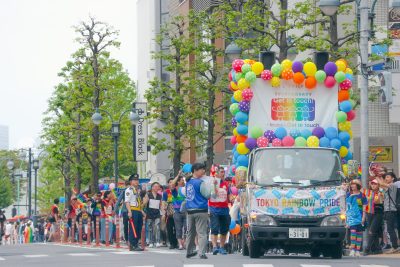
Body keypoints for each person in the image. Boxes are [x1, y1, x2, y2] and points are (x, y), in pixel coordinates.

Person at [185, 162, 213, 260]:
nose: (203, 171)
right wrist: (211, 187)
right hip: (201, 209)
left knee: (190, 232)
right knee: (201, 233)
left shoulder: (188, 182)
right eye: (201, 169)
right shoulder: (200, 182)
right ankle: (201, 253)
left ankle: (188, 251)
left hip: (190, 210)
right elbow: (207, 195)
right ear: (195, 171)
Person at [209, 166, 231, 255]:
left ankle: (222, 247)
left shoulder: (226, 184)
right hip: (214, 209)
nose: (223, 174)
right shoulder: (212, 183)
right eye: (221, 172)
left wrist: (232, 198)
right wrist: (214, 185)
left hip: (224, 210)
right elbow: (213, 196)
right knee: (214, 228)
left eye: (223, 172)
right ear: (216, 173)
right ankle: (214, 247)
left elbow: (228, 196)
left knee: (224, 229)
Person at [377, 172, 399, 253]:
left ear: (393, 178)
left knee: (390, 229)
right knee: (389, 229)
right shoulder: (387, 188)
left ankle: (395, 247)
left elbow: (381, 183)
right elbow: (381, 185)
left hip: (391, 210)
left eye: (388, 177)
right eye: (385, 177)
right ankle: (394, 246)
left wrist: (376, 175)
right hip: (387, 210)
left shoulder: (393, 186)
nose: (386, 179)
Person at [163, 172, 186, 250]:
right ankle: (179, 244)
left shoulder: (186, 189)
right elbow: (172, 184)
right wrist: (178, 175)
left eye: (184, 180)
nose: (183, 181)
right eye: (182, 180)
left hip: (186, 211)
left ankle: (185, 243)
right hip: (176, 211)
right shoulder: (175, 190)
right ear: (178, 182)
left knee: (186, 228)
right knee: (178, 228)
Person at [345, 179, 367, 257]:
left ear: (358, 186)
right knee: (353, 232)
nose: (352, 186)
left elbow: (363, 207)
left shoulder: (362, 195)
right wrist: (347, 220)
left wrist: (363, 217)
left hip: (360, 216)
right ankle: (352, 250)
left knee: (359, 234)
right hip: (352, 217)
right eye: (351, 184)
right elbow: (347, 205)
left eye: (354, 184)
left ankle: (357, 250)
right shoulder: (349, 194)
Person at [125, 173, 146, 251]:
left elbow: (139, 202)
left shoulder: (137, 190)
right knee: (133, 228)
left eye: (137, 180)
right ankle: (132, 245)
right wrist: (129, 212)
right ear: (131, 181)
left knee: (138, 228)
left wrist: (142, 211)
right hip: (133, 210)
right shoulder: (129, 190)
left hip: (138, 210)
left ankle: (136, 243)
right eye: (134, 180)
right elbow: (127, 202)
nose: (136, 181)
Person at [363, 179, 384, 255]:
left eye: (375, 184)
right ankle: (377, 249)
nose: (373, 185)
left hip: (378, 213)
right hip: (369, 213)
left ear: (378, 185)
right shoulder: (368, 192)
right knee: (373, 232)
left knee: (371, 231)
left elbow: (378, 201)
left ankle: (367, 249)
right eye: (372, 184)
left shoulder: (381, 192)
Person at [162, 178, 179, 249]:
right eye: (170, 182)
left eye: (173, 182)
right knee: (169, 229)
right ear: (168, 184)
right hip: (169, 214)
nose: (172, 184)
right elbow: (164, 202)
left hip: (178, 212)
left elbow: (179, 201)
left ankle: (176, 242)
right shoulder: (166, 192)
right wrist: (164, 212)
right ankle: (172, 243)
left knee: (177, 228)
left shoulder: (177, 191)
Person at [146, 182, 162, 248]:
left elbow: (161, 205)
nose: (156, 188)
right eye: (155, 186)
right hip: (150, 213)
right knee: (150, 228)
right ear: (152, 187)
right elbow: (144, 203)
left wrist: (162, 212)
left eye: (157, 186)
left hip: (157, 213)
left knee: (157, 227)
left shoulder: (159, 196)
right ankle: (151, 242)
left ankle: (157, 241)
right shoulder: (148, 195)